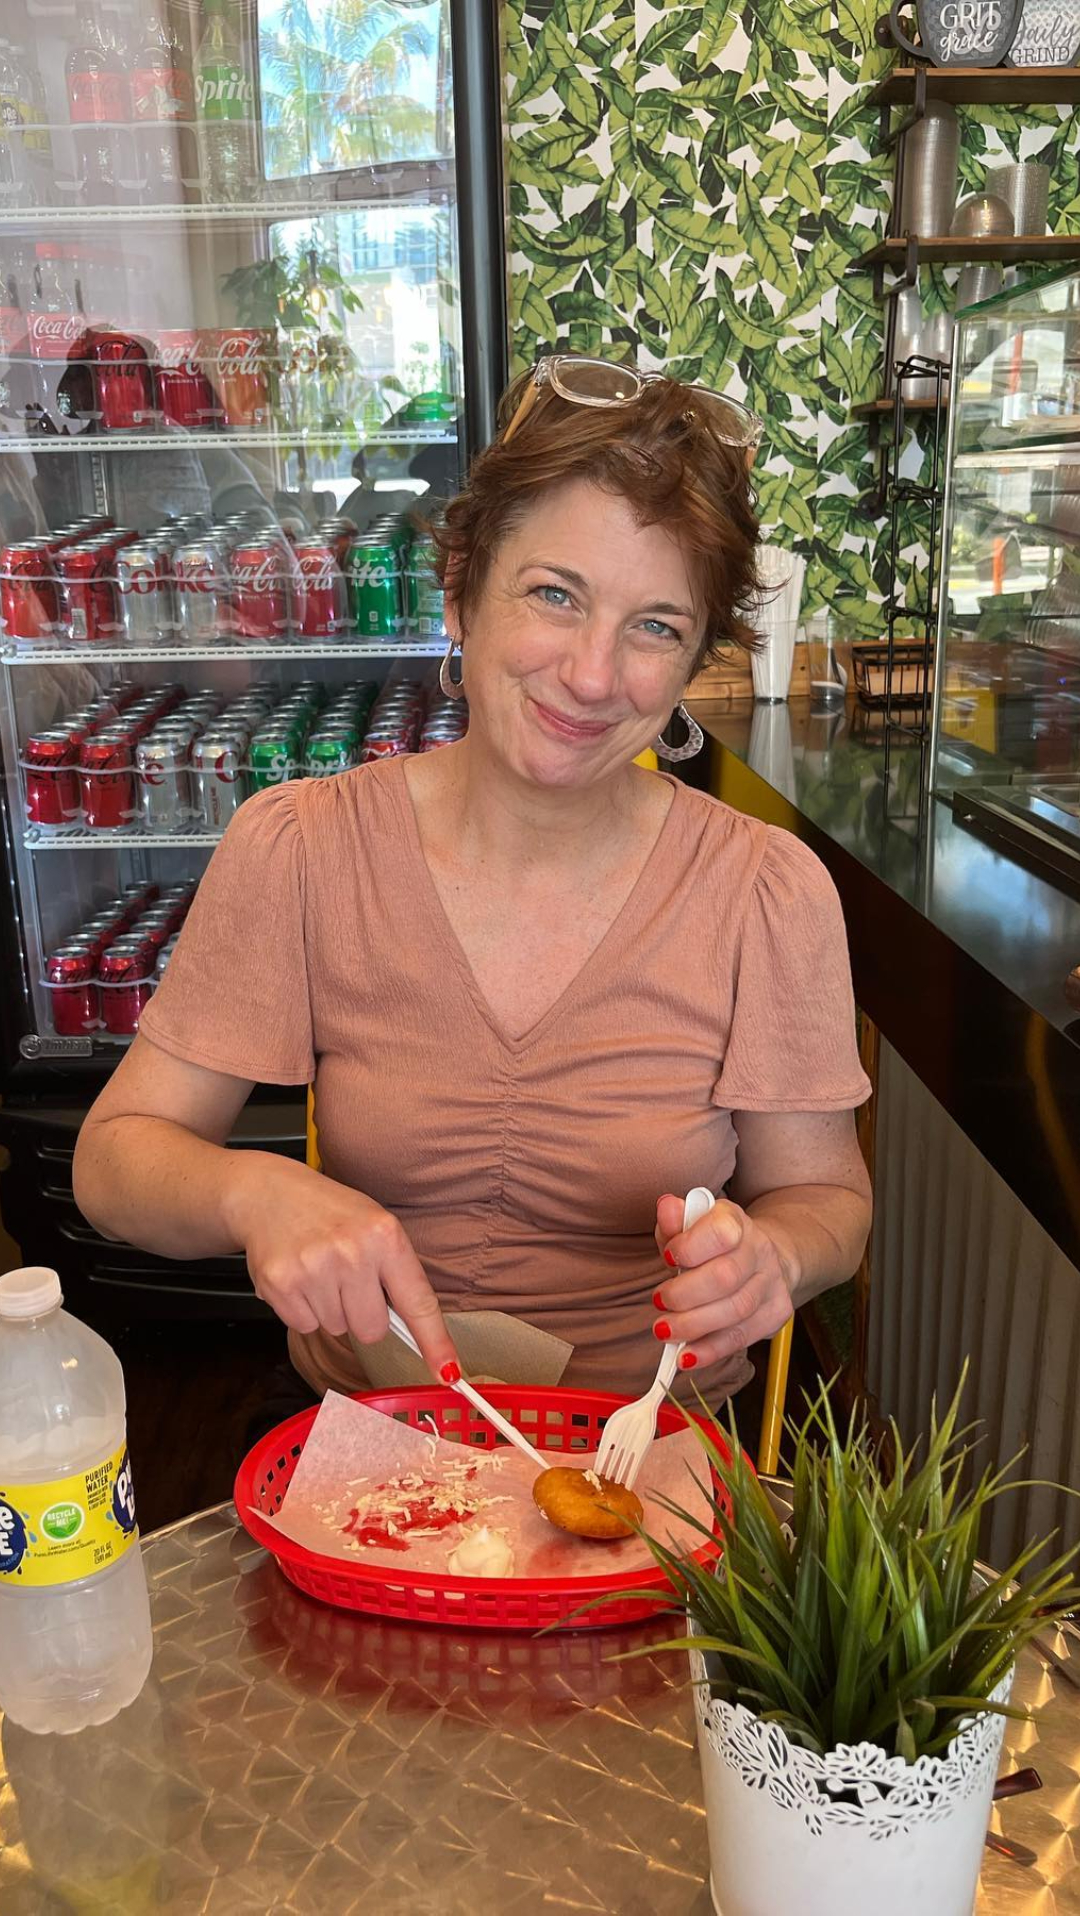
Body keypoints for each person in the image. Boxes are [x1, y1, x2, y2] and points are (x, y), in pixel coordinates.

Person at [72, 355, 873, 1414]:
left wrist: (772, 1256)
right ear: (460, 590)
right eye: (554, 594)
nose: (594, 674)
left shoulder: (766, 892)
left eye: (656, 627)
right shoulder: (303, 850)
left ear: (693, 662)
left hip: (640, 1464)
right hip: (377, 1464)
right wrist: (253, 1192)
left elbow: (827, 1199)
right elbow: (115, 1162)